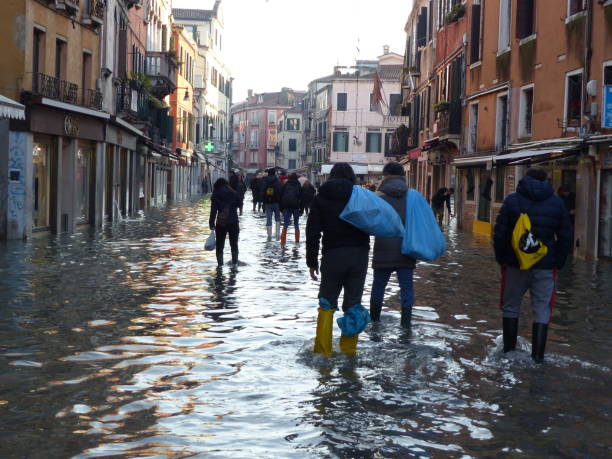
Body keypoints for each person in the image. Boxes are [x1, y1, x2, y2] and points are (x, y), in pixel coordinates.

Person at [493, 168, 572, 363]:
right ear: (546, 179)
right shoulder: (557, 203)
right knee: (542, 310)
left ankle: (509, 354)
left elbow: (500, 233)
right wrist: (558, 262)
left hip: (515, 264)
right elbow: (566, 236)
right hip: (545, 266)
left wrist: (503, 259)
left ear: (525, 179)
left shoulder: (512, 200)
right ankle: (538, 359)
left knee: (511, 307)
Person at [307, 162, 370, 356]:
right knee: (353, 303)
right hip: (359, 255)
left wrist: (312, 261)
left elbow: (313, 232)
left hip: (332, 255)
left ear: (331, 176)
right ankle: (349, 351)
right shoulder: (360, 196)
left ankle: (323, 351)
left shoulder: (321, 198)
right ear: (352, 176)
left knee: (327, 302)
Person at [369, 162, 416, 329]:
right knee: (407, 288)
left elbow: (370, 223)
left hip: (383, 250)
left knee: (378, 288)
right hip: (406, 249)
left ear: (385, 175)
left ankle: (374, 323)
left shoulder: (377, 196)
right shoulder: (411, 196)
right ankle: (406, 325)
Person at [209, 178, 241, 266]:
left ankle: (220, 267)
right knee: (234, 244)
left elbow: (213, 211)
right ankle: (234, 265)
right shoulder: (234, 193)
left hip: (221, 223)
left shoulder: (216, 194)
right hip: (234, 222)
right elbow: (239, 204)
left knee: (220, 246)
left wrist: (211, 223)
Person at [279, 173, 303, 246]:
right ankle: (297, 242)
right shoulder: (298, 185)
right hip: (296, 207)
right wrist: (301, 210)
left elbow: (280, 197)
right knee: (296, 224)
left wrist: (281, 208)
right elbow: (301, 198)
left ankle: (283, 242)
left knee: (285, 224)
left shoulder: (285, 185)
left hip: (286, 207)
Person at [262, 168, 282, 241]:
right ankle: (277, 235)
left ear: (268, 173)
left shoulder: (265, 181)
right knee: (277, 218)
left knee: (269, 218)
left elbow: (263, 192)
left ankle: (269, 236)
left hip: (267, 202)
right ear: (274, 173)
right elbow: (280, 191)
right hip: (276, 202)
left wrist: (263, 202)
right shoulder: (277, 181)